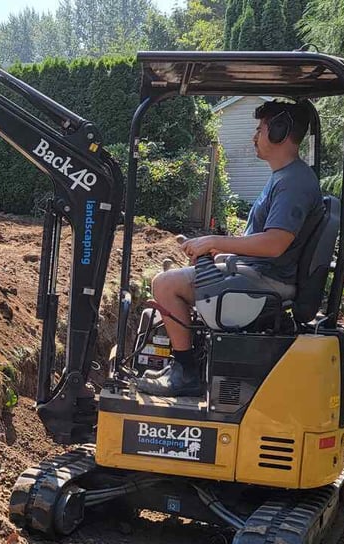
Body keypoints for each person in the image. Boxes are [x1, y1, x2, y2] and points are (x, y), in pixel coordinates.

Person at [136, 100, 323, 397]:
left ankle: (185, 373)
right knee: (184, 273)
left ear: (280, 132)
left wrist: (214, 241)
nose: (254, 136)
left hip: (268, 280)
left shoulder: (293, 183)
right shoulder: (285, 178)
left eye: (260, 129)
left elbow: (275, 244)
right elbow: (270, 242)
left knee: (165, 284)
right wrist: (227, 254)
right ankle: (184, 365)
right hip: (260, 272)